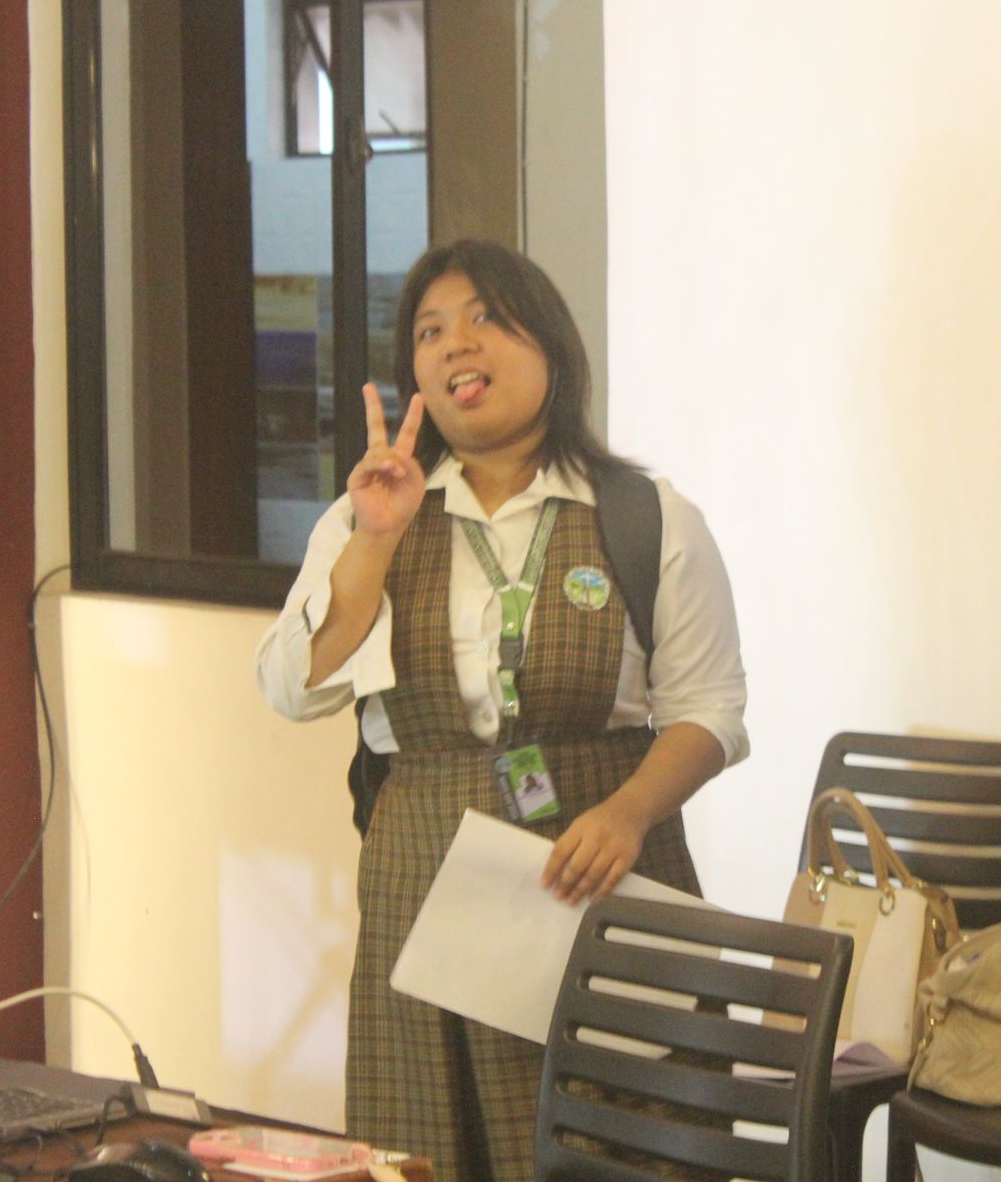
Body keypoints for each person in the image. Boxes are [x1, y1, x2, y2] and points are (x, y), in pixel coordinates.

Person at [257, 239, 747, 1181]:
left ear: (550, 344)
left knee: (624, 1143)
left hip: (597, 879)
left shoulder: (645, 517)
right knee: (435, 1152)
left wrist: (629, 812)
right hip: (424, 888)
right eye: (430, 331)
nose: (455, 344)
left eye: (485, 317)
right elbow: (292, 687)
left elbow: (711, 709)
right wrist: (374, 538)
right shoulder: (367, 517)